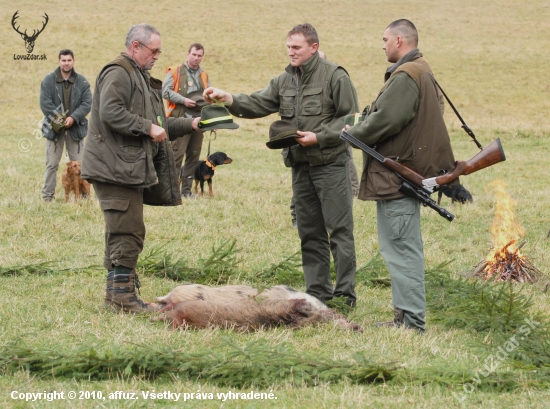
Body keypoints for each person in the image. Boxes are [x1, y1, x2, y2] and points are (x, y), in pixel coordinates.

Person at [204, 23, 359, 306]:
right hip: (300, 168)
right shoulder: (284, 81)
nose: (291, 52)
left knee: (339, 232)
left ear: (313, 47)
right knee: (309, 233)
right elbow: (256, 103)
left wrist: (320, 137)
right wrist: (228, 98)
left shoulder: (335, 76)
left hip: (331, 165)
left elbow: (351, 119)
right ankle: (318, 295)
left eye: (296, 47)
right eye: (288, 47)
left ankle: (345, 296)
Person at [344, 19, 459, 332]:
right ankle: (406, 317)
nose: (382, 45)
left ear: (399, 40)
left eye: (384, 39)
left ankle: (410, 322)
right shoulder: (421, 69)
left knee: (400, 249)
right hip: (405, 174)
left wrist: (354, 132)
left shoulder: (407, 75)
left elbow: (387, 119)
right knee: (401, 247)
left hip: (400, 177)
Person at [81, 24, 201, 313]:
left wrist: (192, 124)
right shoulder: (119, 72)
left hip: (123, 167)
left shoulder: (140, 77)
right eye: (154, 51)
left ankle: (117, 294)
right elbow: (110, 111)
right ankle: (122, 300)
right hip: (114, 168)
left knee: (122, 230)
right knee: (128, 231)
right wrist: (146, 127)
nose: (157, 56)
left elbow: (160, 123)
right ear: (136, 46)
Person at [289, 50, 359, 228]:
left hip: (335, 150)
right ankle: (298, 216)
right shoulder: (295, 84)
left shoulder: (338, 80)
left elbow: (352, 117)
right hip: (305, 155)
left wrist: (330, 136)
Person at [40, 49, 92, 202]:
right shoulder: (48, 80)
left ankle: (84, 197)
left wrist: (74, 118)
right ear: (59, 62)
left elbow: (87, 103)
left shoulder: (82, 81)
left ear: (73, 61)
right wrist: (62, 119)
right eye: (63, 60)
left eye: (69, 60)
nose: (66, 63)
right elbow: (45, 103)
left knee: (81, 166)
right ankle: (47, 197)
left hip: (76, 129)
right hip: (54, 130)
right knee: (51, 165)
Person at [162, 43, 209, 197]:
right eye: (194, 54)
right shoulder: (175, 71)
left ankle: (186, 191)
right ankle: (171, 191)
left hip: (198, 122)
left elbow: (209, 98)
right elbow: (165, 91)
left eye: (199, 55)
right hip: (180, 122)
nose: (196, 58)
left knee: (194, 156)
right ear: (188, 54)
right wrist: (183, 100)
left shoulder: (204, 75)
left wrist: (211, 121)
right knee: (176, 155)